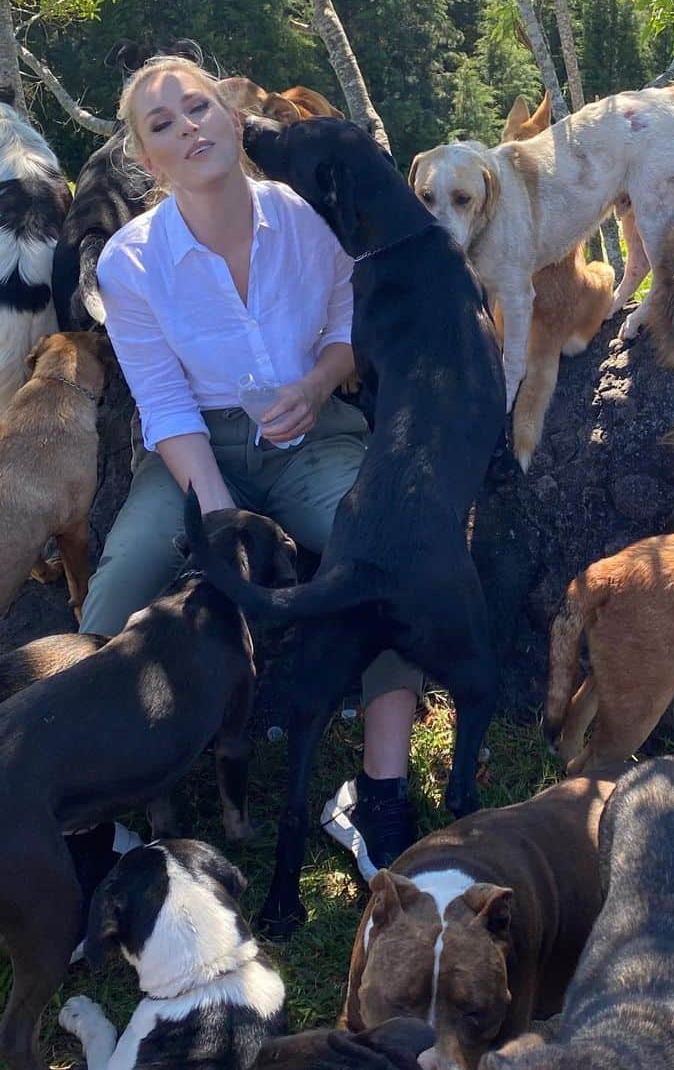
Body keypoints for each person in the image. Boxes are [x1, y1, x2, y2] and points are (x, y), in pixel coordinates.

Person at [79, 55, 421, 875]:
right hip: (197, 445)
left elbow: (348, 322)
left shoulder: (308, 218)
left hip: (313, 427)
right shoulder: (130, 263)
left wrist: (319, 380)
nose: (188, 126)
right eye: (162, 124)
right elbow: (162, 403)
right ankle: (86, 797)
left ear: (234, 121)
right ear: (147, 159)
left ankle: (382, 793)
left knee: (385, 547)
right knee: (125, 570)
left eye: (199, 108)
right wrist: (220, 514)